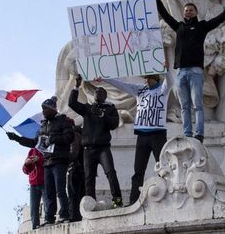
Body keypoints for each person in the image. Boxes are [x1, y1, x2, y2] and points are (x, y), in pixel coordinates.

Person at [152, 0, 225, 143]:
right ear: (183, 13)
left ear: (195, 12)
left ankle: (199, 133)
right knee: (185, 105)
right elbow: (165, 15)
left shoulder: (201, 26)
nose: (188, 12)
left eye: (191, 10)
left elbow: (217, 21)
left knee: (197, 104)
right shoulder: (178, 27)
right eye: (186, 10)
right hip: (181, 72)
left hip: (196, 71)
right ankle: (187, 133)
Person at [100, 72, 172, 205]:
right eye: (144, 78)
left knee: (163, 168)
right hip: (142, 136)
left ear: (154, 78)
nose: (145, 80)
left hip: (158, 135)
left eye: (147, 78)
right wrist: (104, 78)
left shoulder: (163, 89)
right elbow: (121, 85)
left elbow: (170, 81)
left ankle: (167, 198)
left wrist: (166, 70)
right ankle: (134, 200)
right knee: (138, 170)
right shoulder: (139, 90)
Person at [7, 98, 74, 225]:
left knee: (60, 189)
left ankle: (64, 215)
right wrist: (17, 138)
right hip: (47, 162)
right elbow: (34, 142)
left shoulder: (63, 121)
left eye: (45, 109)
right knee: (49, 191)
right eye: (42, 109)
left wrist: (53, 138)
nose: (43, 111)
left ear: (53, 109)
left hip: (60, 160)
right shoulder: (43, 125)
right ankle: (49, 217)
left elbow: (69, 137)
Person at [68, 75, 123, 208]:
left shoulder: (110, 109)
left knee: (110, 173)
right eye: (96, 92)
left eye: (101, 92)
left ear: (105, 96)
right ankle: (91, 203)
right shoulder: (88, 108)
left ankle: (117, 201)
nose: (98, 94)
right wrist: (76, 87)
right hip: (88, 149)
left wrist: (103, 115)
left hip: (103, 148)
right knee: (89, 178)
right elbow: (72, 104)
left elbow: (114, 124)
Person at [21, 148, 44, 230]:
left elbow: (49, 161)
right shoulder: (31, 151)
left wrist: (39, 160)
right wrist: (27, 164)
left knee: (47, 203)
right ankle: (35, 226)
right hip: (33, 183)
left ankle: (49, 221)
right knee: (34, 207)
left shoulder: (46, 147)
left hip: (45, 181)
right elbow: (25, 170)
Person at [67, 125, 85, 222]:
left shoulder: (74, 137)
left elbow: (73, 154)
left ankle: (74, 215)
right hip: (83, 169)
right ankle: (81, 214)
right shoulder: (83, 138)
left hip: (75, 168)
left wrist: (63, 156)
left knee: (73, 194)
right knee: (82, 194)